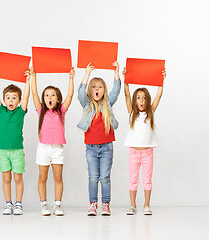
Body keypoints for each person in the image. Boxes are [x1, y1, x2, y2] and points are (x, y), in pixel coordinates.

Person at [77, 62, 121, 216]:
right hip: (91, 147)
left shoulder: (107, 102)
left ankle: (106, 205)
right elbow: (80, 93)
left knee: (105, 177)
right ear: (90, 90)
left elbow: (116, 90)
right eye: (94, 87)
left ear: (104, 90)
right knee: (93, 177)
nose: (97, 89)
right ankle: (93, 204)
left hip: (107, 146)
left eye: (100, 87)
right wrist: (87, 74)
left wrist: (116, 72)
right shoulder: (86, 103)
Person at [31, 67, 75, 216]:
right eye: (47, 95)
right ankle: (44, 204)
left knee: (58, 177)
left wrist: (71, 78)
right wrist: (33, 77)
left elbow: (70, 94)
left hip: (57, 149)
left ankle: (58, 205)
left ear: (57, 99)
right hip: (43, 148)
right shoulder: (40, 111)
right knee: (42, 177)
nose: (49, 98)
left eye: (52, 95)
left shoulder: (61, 110)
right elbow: (34, 94)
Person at [123, 68, 166, 215]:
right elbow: (127, 94)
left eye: (144, 98)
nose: (141, 100)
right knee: (133, 179)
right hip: (133, 152)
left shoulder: (150, 112)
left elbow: (158, 96)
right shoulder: (131, 112)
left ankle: (146, 205)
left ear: (147, 100)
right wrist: (126, 79)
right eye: (139, 97)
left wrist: (161, 80)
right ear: (135, 100)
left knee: (147, 179)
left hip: (147, 153)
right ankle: (132, 205)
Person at [0, 69, 30, 215]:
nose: (11, 100)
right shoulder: (1, 111)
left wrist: (28, 80)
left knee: (18, 178)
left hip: (17, 151)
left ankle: (18, 204)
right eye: (8, 98)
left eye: (14, 98)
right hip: (3, 151)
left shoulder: (20, 112)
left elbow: (27, 96)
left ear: (18, 100)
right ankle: (8, 203)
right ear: (4, 100)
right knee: (6, 178)